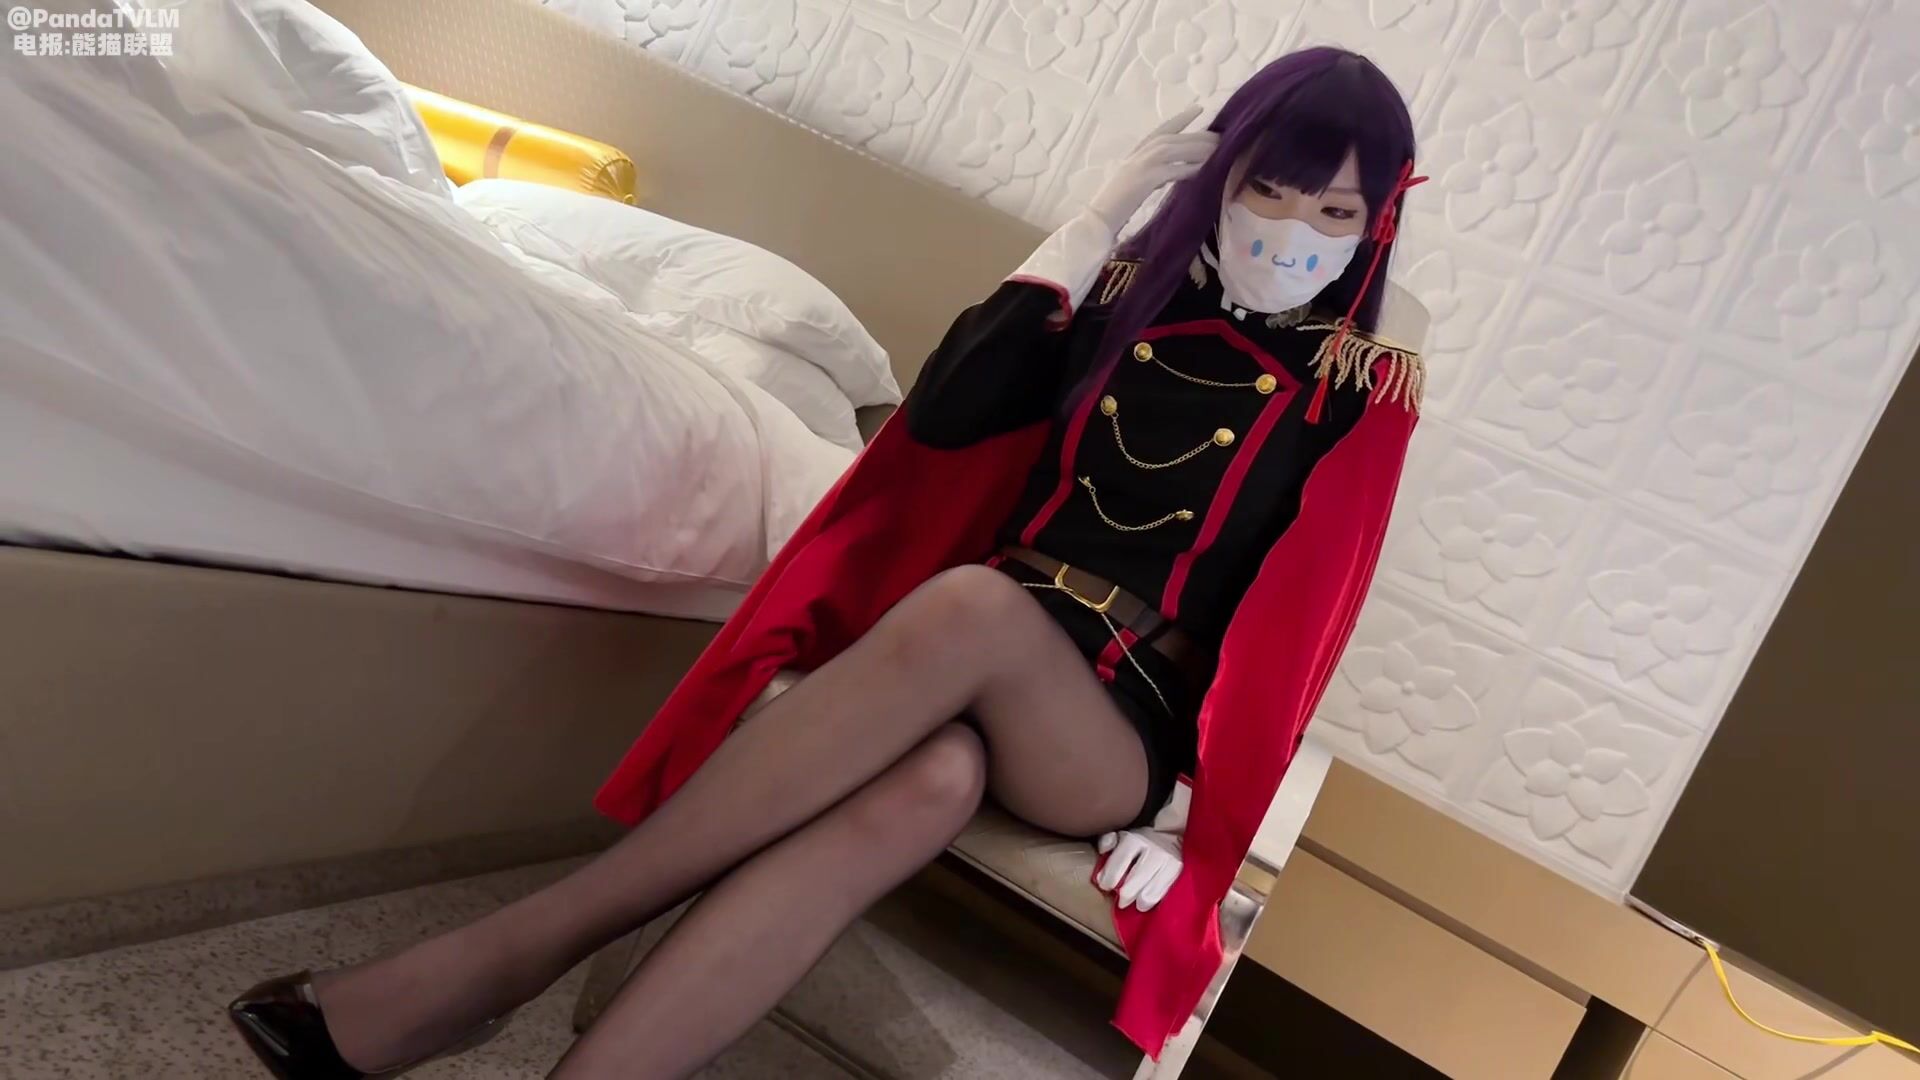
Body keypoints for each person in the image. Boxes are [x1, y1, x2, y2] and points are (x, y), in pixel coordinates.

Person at [228, 46, 1427, 1080]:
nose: (1292, 231)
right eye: (1268, 189)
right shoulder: (1122, 304)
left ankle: (507, 955)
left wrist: (1198, 826)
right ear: (1219, 179)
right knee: (930, 782)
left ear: (1375, 223)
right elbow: (945, 417)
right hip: (961, 672)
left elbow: (1300, 629)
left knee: (972, 609)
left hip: (1109, 724)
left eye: (1334, 211)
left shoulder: (1352, 391)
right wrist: (1093, 225)